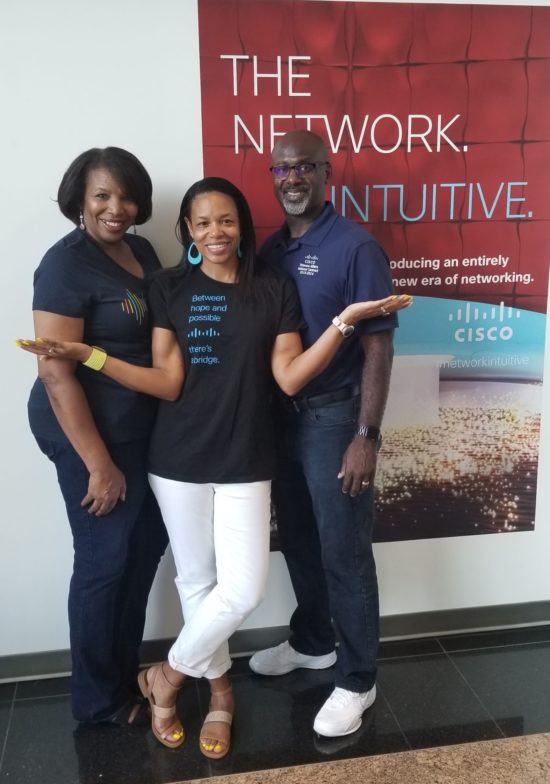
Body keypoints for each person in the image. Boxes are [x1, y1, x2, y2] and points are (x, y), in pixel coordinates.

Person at [19, 176, 411, 757]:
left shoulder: (272, 287)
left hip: (246, 460)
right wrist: (89, 355)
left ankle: (167, 677)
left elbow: (288, 377)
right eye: (202, 222)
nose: (215, 231)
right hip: (174, 461)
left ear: (242, 226)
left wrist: (344, 320)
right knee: (198, 584)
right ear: (187, 231)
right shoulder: (166, 286)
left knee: (243, 588)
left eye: (226, 220)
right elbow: (167, 381)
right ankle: (221, 697)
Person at [249, 130, 398, 738]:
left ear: (326, 173)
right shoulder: (270, 251)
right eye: (282, 168)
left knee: (344, 553)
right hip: (282, 421)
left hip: (337, 420)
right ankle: (313, 641)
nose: (292, 178)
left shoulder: (357, 247)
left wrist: (367, 433)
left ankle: (359, 678)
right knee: (302, 545)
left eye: (304, 167)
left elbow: (379, 347)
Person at [23, 147, 168, 725]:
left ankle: (121, 673)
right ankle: (97, 700)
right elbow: (56, 372)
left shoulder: (142, 249)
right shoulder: (64, 265)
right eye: (102, 196)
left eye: (126, 196)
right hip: (84, 431)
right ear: (79, 201)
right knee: (104, 560)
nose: (116, 208)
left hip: (138, 428)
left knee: (143, 549)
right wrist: (98, 465)